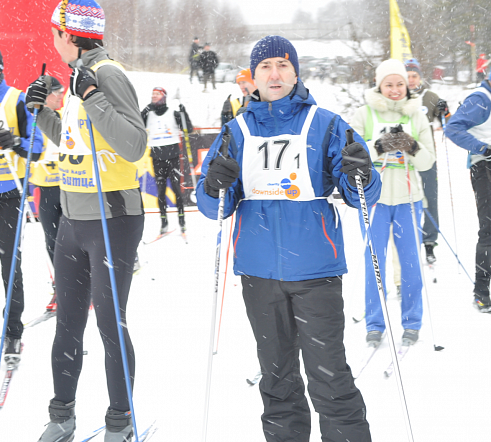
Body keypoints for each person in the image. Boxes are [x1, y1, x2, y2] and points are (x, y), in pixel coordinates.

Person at [197, 36, 379, 442]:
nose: (274, 74)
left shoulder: (327, 123)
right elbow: (214, 207)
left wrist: (361, 173)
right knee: (277, 382)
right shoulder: (236, 130)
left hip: (316, 270)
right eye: (265, 67)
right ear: (253, 76)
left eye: (282, 65)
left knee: (329, 379)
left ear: (296, 72)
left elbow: (361, 195)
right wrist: (214, 185)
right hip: (260, 274)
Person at [26, 0, 147, 442]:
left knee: (108, 324)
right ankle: (62, 416)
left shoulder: (106, 74)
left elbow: (133, 145)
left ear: (70, 34)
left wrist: (93, 96)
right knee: (69, 323)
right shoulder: (79, 77)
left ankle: (121, 419)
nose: (52, 41)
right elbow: (78, 147)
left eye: (55, 33)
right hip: (73, 220)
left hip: (112, 219)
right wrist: (43, 113)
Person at [351, 58, 436, 347]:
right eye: (389, 84)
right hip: (374, 201)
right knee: (374, 263)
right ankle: (375, 323)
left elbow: (427, 161)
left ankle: (412, 322)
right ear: (379, 85)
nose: (395, 89)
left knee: (411, 264)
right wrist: (381, 146)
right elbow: (352, 156)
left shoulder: (417, 115)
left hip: (408, 200)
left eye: (400, 83)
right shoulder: (365, 113)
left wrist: (410, 145)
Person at [0, 42, 43, 365]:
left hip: (8, 196)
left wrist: (15, 142)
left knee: (10, 267)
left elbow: (38, 146)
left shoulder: (16, 99)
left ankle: (13, 330)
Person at [445, 71, 491, 313]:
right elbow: (452, 128)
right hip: (485, 166)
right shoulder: (481, 98)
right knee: (489, 229)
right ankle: (482, 291)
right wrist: (482, 147)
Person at [405, 58, 449, 262]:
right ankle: (407, 239)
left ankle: (429, 242)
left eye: (414, 76)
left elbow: (448, 123)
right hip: (402, 158)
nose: (411, 80)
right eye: (408, 76)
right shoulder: (398, 96)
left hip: (426, 156)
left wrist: (444, 111)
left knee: (430, 199)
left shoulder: (429, 96)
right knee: (406, 200)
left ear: (420, 77)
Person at [29, 76, 64, 311]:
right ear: (45, 96)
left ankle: (83, 286)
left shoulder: (64, 119)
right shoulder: (32, 121)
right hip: (45, 189)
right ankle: (60, 288)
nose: (61, 96)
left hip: (68, 188)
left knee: (75, 239)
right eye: (57, 92)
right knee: (52, 242)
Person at [141, 86, 193, 234]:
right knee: (161, 191)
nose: (154, 96)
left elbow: (188, 129)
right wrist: (146, 109)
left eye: (157, 94)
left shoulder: (173, 113)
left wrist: (184, 113)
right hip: (157, 157)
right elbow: (137, 123)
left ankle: (182, 221)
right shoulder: (148, 114)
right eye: (153, 94)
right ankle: (164, 222)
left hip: (172, 156)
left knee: (177, 189)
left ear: (163, 96)